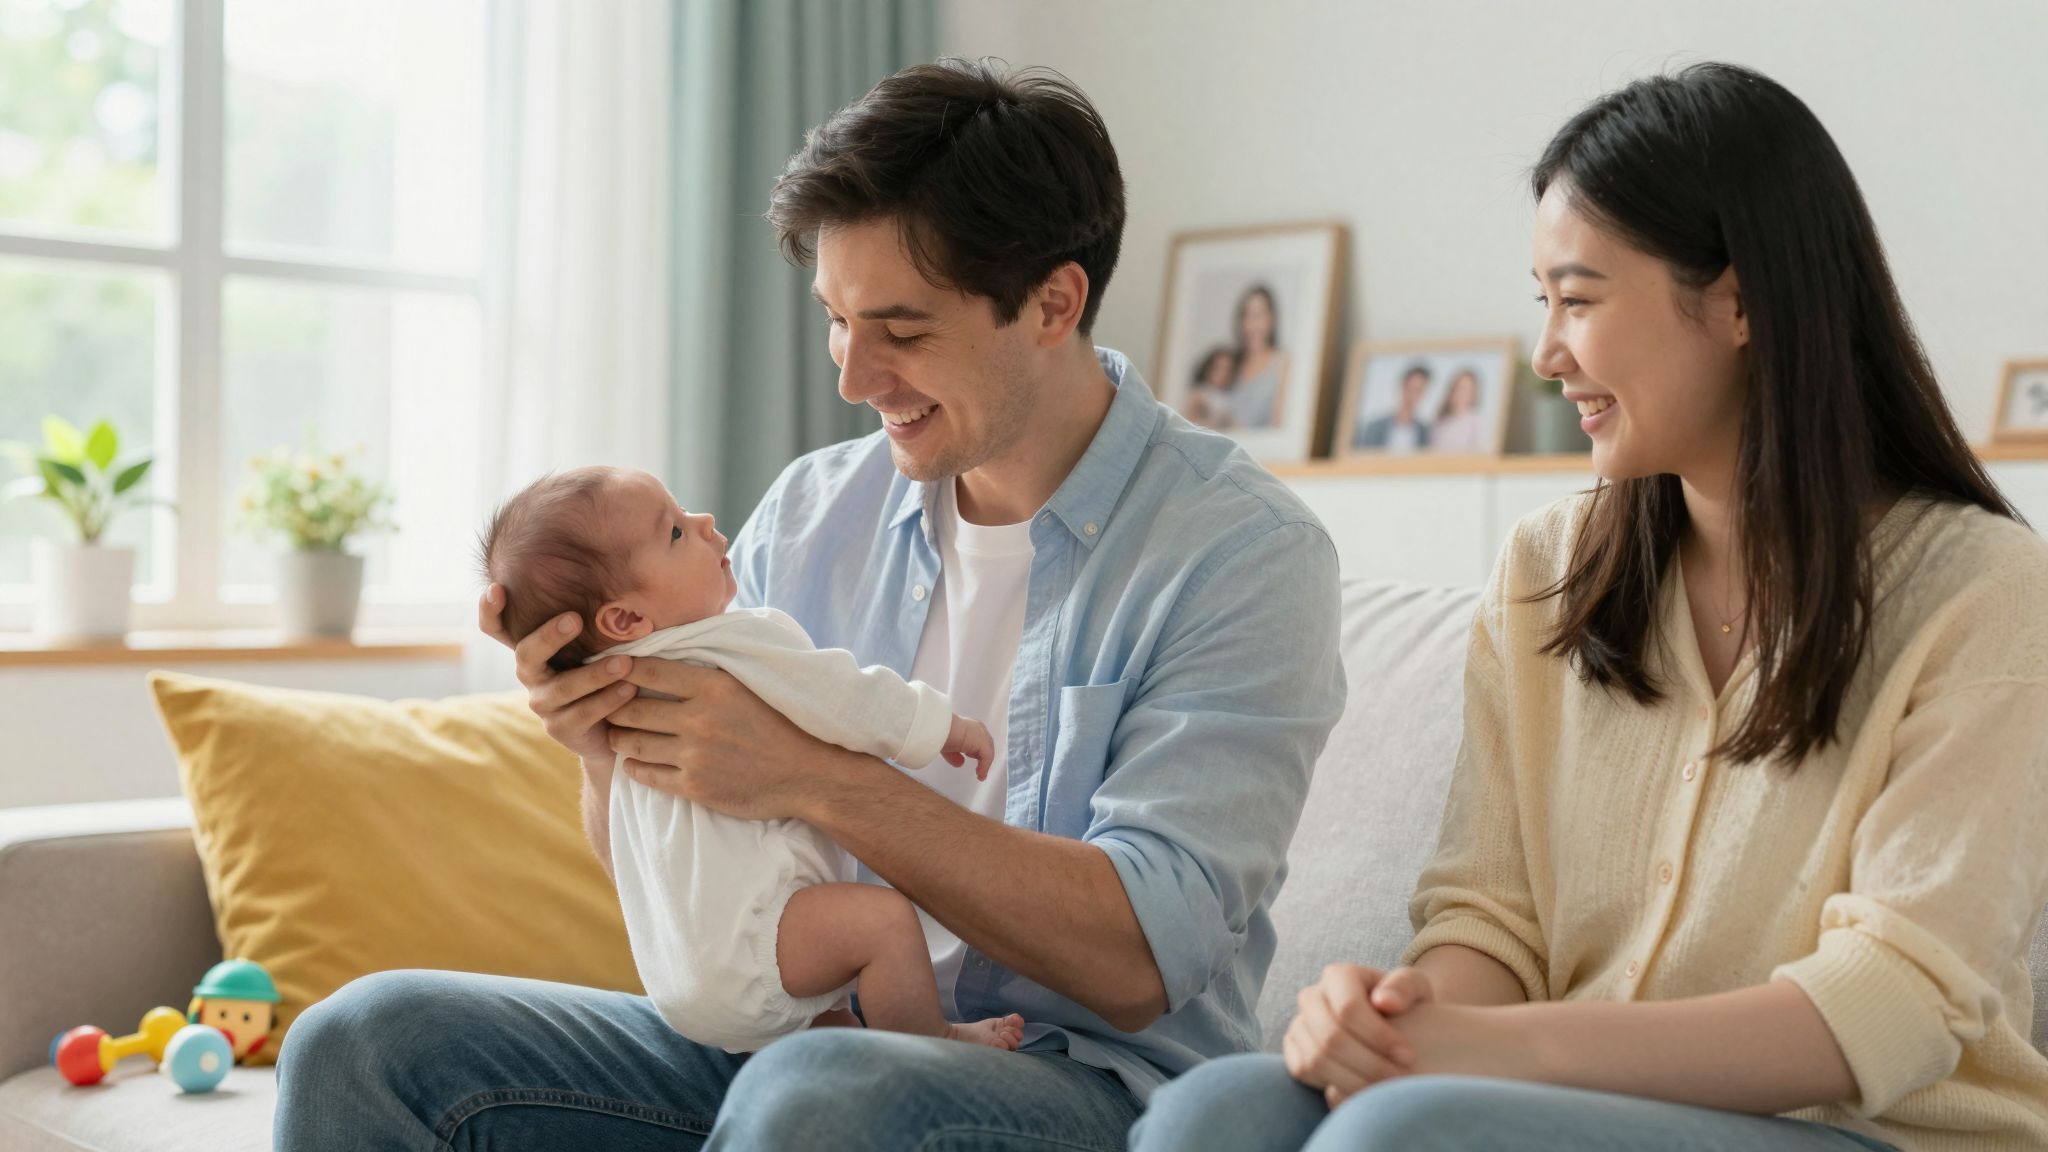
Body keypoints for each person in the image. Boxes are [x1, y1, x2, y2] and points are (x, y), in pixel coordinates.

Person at [273, 58, 1346, 1152]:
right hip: (795, 1034)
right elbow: (692, 867)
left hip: (1075, 1080)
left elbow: (1139, 961)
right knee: (363, 1040)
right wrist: (605, 751)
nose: (852, 378)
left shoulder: (1239, 554)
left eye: (902, 331)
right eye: (836, 319)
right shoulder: (813, 510)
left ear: (1051, 304)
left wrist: (813, 777)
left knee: (821, 1091)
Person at [1133, 61, 2048, 1152]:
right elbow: (1491, 919)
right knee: (1209, 1115)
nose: (1545, 354)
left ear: (1740, 303)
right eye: (1544, 303)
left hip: (1868, 1130)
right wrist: (1399, 1019)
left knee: (1401, 1133)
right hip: (1574, 1108)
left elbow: (1895, 1000)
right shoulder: (1547, 570)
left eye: (1577, 300)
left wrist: (1491, 1054)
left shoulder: (1982, 591)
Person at [476, 465, 1022, 1056]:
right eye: (675, 532)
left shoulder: (617, 692)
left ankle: (831, 1033)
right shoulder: (733, 644)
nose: (704, 521)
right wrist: (938, 726)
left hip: (681, 979)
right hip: (760, 946)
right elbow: (841, 695)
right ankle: (933, 1038)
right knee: (884, 923)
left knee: (819, 1015)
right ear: (626, 619)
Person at [1221, 284, 1290, 428]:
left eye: (1258, 315)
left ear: (1272, 318)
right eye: (1247, 315)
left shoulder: (1282, 361)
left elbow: (1280, 425)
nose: (1252, 323)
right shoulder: (1231, 364)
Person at [1354, 364, 1433, 451]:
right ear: (1401, 387)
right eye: (1409, 388)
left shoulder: (1425, 433)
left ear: (1424, 393)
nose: (1411, 396)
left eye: (1418, 391)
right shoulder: (1374, 428)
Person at [1425, 369, 1487, 453]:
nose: (1461, 393)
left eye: (1466, 389)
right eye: (1459, 387)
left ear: (1473, 394)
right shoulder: (1439, 422)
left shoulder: (1475, 422)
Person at [1185, 344, 1241, 429]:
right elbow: (1189, 420)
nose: (1223, 374)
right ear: (1207, 369)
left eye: (1228, 370)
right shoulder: (1200, 394)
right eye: (1218, 368)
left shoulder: (1227, 397)